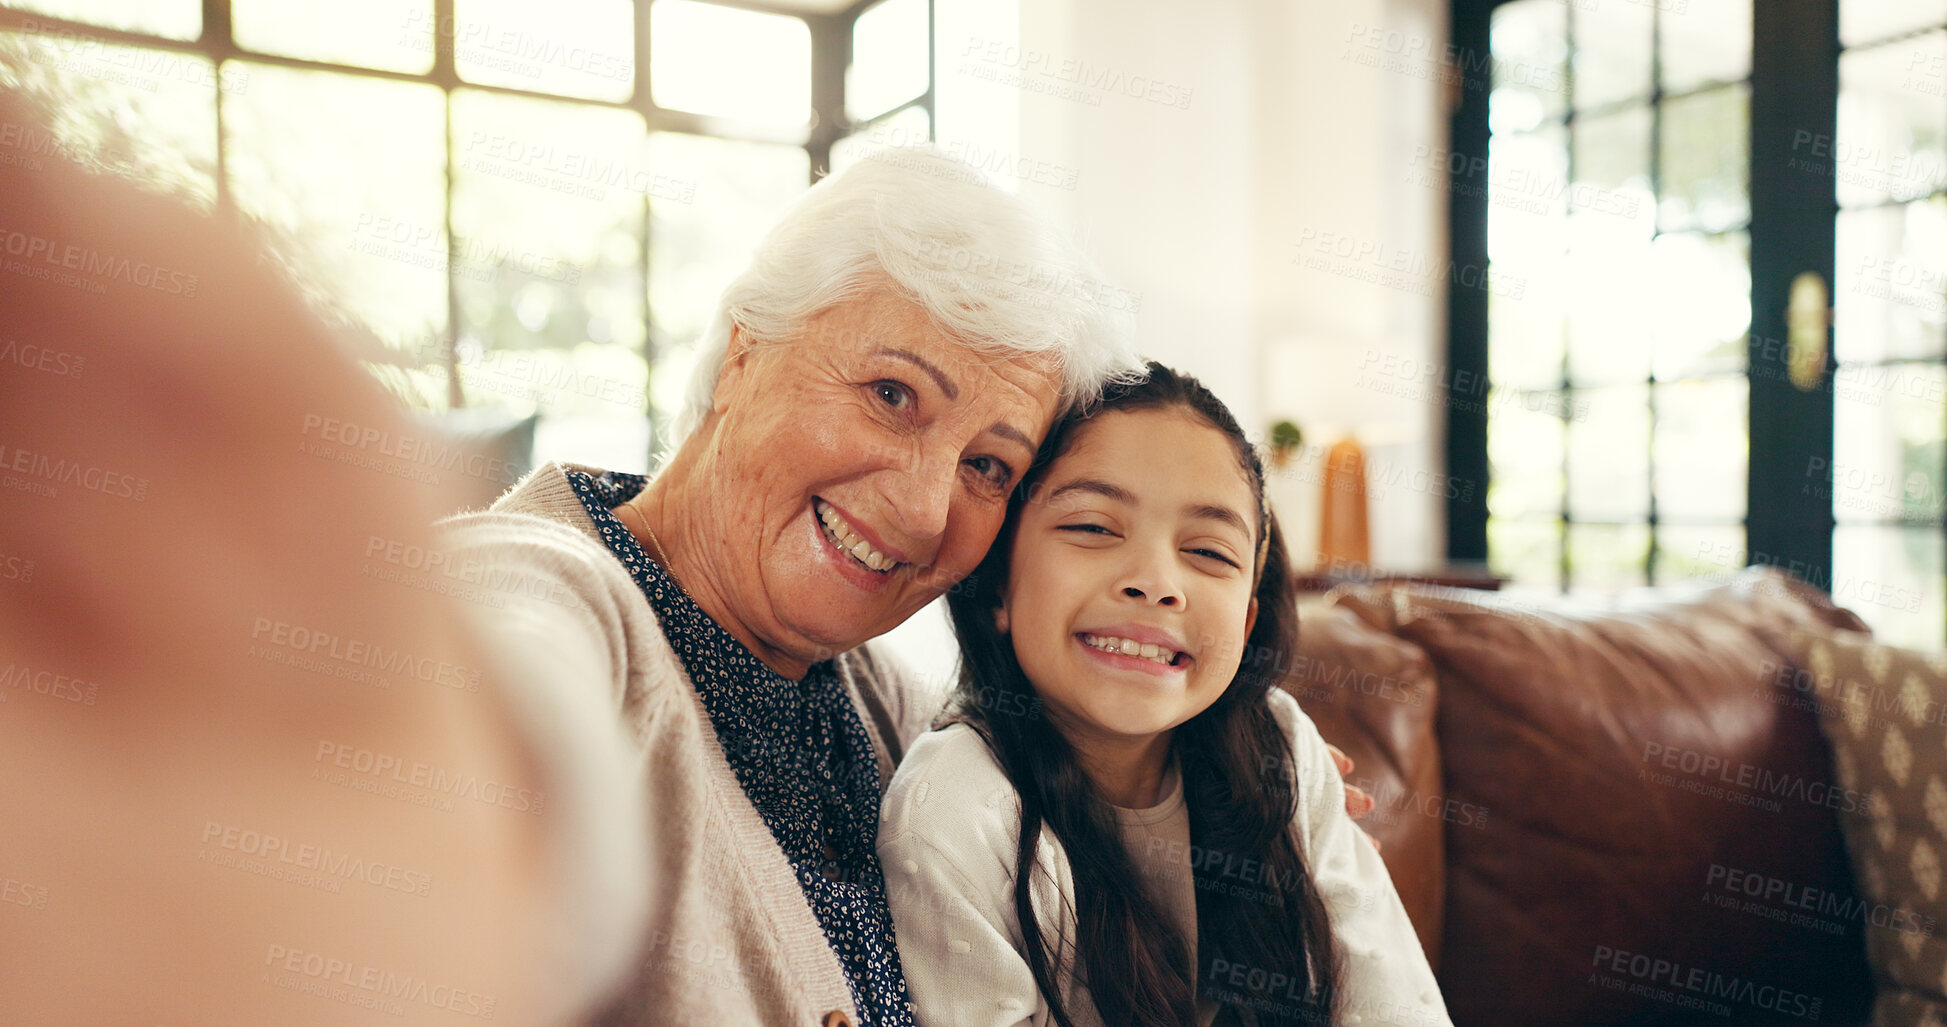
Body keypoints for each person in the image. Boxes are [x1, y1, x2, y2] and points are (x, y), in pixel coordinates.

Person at [880, 364, 1451, 1027]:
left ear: (1244, 621)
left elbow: (1391, 1003)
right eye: (1092, 527)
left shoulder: (1280, 749)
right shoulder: (955, 807)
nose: (1155, 581)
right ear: (1000, 583)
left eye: (1208, 551)